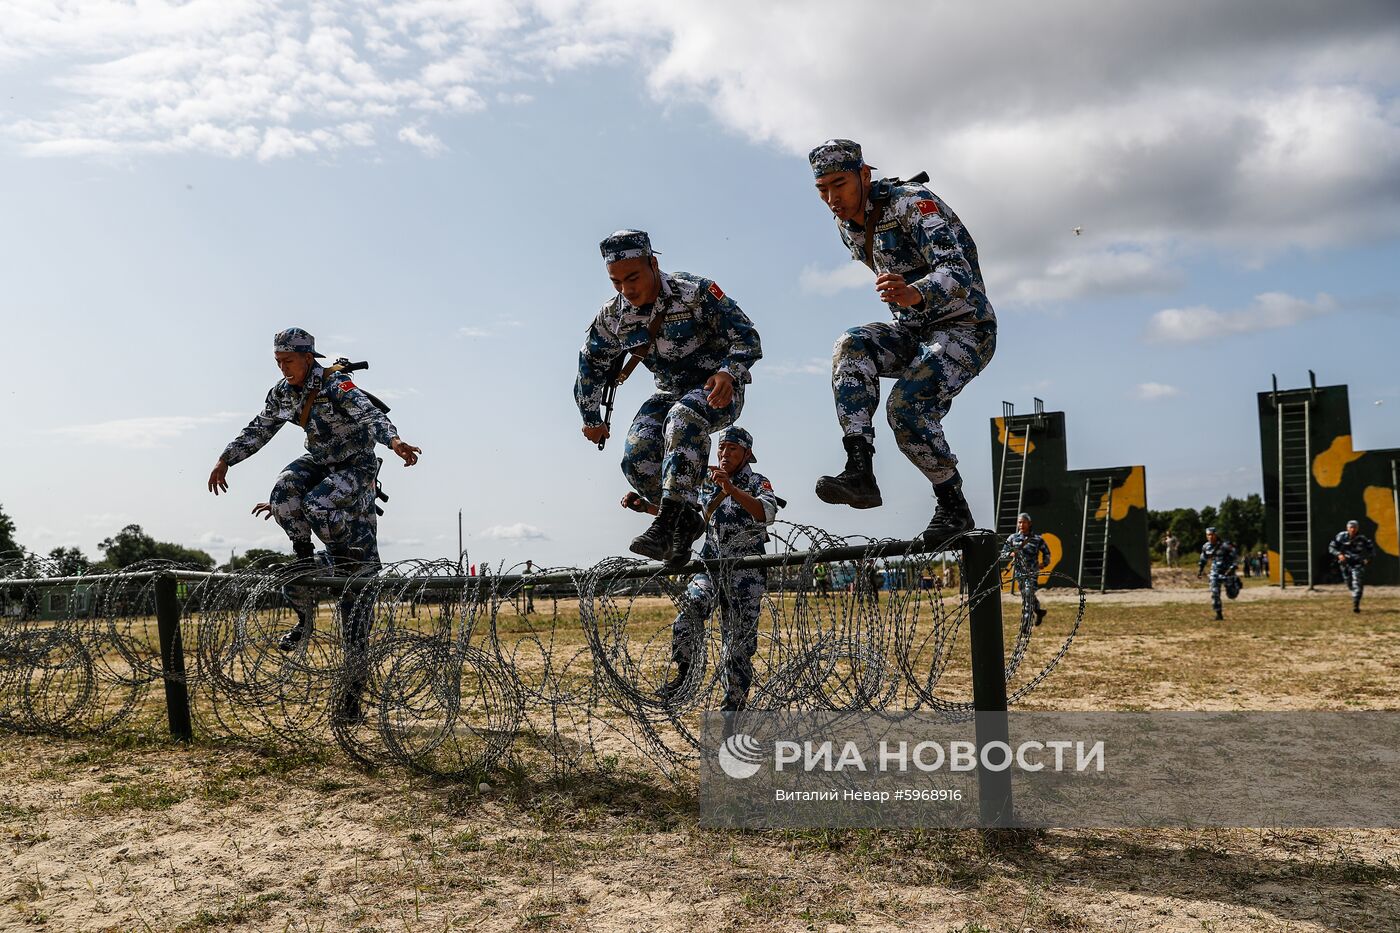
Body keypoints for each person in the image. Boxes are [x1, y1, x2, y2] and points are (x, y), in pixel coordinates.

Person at [806, 139, 996, 546]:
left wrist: (916, 292)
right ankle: (860, 472)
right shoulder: (847, 228)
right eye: (822, 190)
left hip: (966, 328)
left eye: (839, 184)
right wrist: (908, 304)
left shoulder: (912, 203)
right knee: (852, 345)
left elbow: (959, 270)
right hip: (916, 332)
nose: (832, 198)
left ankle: (953, 504)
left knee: (906, 407)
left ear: (864, 175)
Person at [207, 328, 421, 666]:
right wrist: (225, 459)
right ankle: (306, 562)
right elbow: (259, 428)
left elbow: (370, 414)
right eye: (278, 362)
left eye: (288, 361)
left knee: (316, 503)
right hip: (322, 464)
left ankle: (342, 564)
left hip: (355, 466)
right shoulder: (283, 394)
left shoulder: (336, 385)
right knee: (282, 493)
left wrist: (394, 442)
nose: (283, 368)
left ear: (308, 358)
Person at [576, 230, 762, 567]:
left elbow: (746, 336)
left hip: (717, 389)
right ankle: (686, 517)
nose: (626, 289)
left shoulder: (695, 293)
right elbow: (591, 364)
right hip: (668, 391)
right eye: (616, 282)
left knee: (683, 416)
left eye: (632, 277)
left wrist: (728, 372)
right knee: (637, 456)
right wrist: (592, 420)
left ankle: (664, 524)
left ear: (653, 263)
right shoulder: (614, 316)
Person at [644, 427, 779, 713]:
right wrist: (645, 508)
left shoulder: (757, 482)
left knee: (738, 644)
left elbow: (765, 513)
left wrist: (732, 490)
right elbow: (690, 518)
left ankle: (734, 703)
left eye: (732, 449)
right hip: (711, 565)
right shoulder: (708, 483)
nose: (725, 453)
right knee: (690, 609)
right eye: (722, 448)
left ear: (747, 454)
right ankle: (684, 673)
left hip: (746, 573)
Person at [1001, 512, 1051, 627]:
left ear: (1029, 524)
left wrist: (1044, 563)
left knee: (1028, 593)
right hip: (1019, 572)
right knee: (1026, 594)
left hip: (1032, 571)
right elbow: (1003, 552)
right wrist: (1011, 553)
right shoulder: (1013, 538)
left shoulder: (1037, 539)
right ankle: (1038, 610)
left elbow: (1046, 552)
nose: (1022, 524)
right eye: (1020, 522)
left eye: (1024, 522)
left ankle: (1026, 622)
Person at [1329, 519, 1375, 613]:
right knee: (1348, 583)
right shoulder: (1341, 536)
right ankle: (1354, 594)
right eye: (1351, 527)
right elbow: (1331, 547)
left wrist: (1368, 559)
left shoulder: (1362, 539)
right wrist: (1339, 554)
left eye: (1355, 527)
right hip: (1345, 564)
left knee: (1357, 583)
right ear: (1347, 528)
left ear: (1357, 528)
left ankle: (1356, 603)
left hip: (1357, 564)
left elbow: (1371, 550)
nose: (1353, 529)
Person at [1196, 527, 1240, 621]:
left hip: (1227, 572)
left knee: (1232, 595)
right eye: (1208, 535)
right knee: (1214, 592)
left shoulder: (1225, 545)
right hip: (1215, 572)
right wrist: (1200, 570)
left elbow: (1235, 557)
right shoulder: (1206, 547)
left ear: (1216, 535)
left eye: (1212, 535)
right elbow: (1203, 559)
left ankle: (1236, 583)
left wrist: (1233, 568)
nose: (1210, 537)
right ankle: (1218, 614)